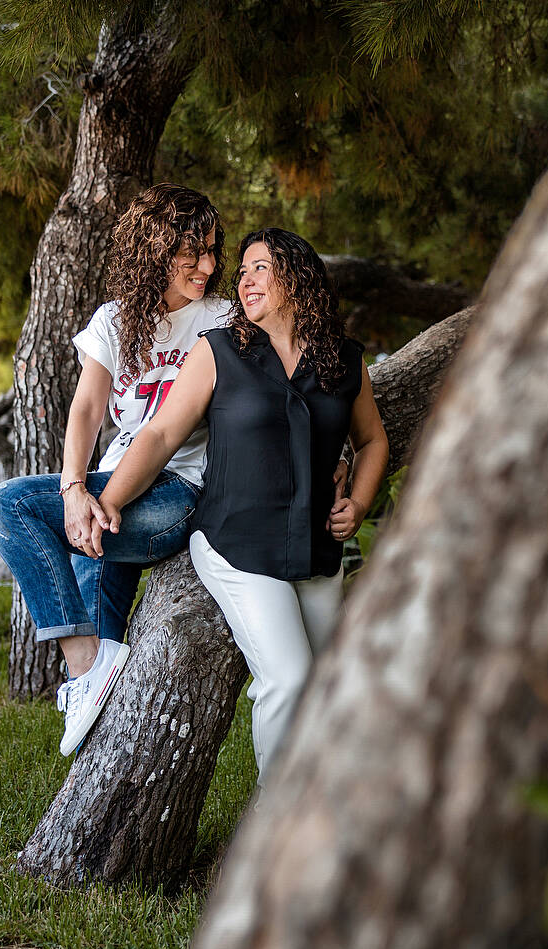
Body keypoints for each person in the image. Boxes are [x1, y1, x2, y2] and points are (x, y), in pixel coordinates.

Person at [96, 227, 388, 782]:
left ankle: (319, 808)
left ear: (297, 277)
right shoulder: (219, 350)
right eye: (243, 271)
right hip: (236, 544)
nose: (245, 281)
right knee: (288, 679)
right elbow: (160, 435)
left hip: (317, 548)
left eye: (261, 268)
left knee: (327, 686)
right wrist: (108, 500)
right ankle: (273, 821)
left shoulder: (345, 359)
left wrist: (359, 501)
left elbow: (372, 439)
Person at [0, 183, 232, 757]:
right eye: (191, 252)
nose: (207, 266)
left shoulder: (223, 318)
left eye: (212, 251)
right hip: (109, 493)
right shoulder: (114, 321)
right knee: (104, 646)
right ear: (154, 249)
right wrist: (75, 490)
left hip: (175, 495)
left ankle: (81, 665)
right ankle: (94, 680)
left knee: (8, 506)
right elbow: (87, 410)